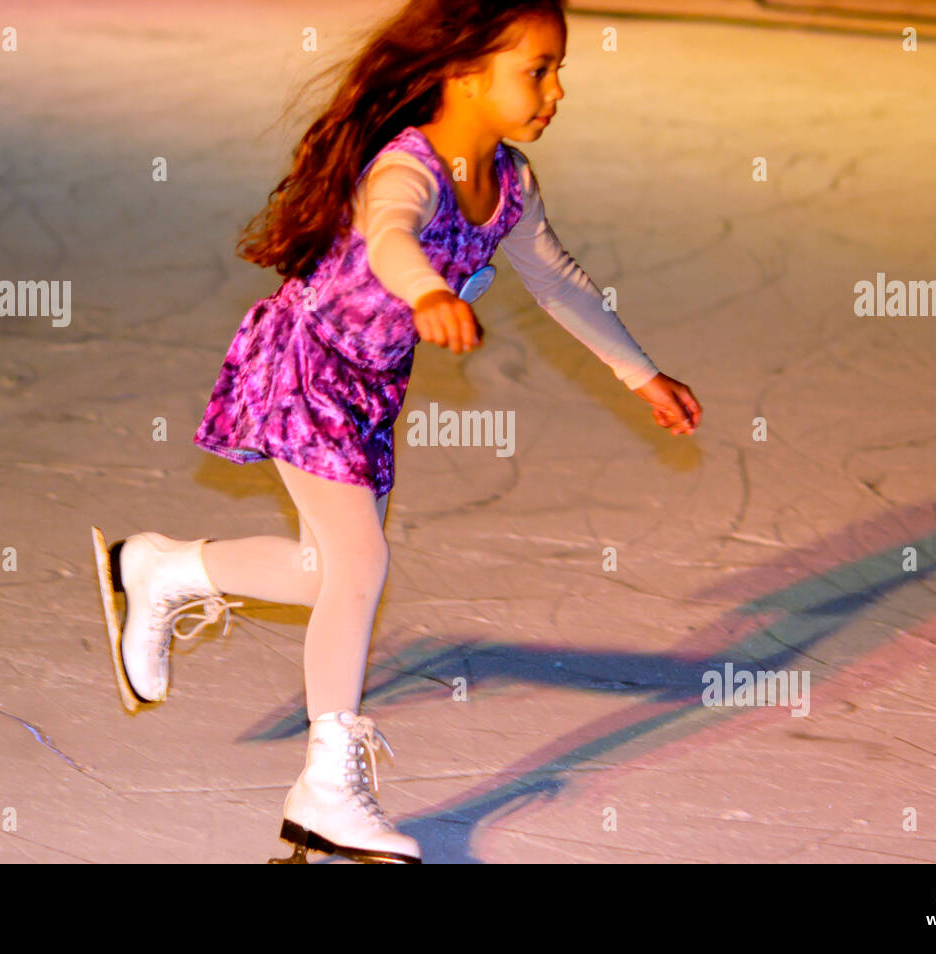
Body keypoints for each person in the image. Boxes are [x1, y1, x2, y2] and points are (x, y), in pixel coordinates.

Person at [90, 0, 701, 865]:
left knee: (322, 571)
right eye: (537, 68)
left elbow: (558, 282)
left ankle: (162, 568)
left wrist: (638, 370)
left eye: (559, 68)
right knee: (363, 564)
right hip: (308, 363)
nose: (556, 89)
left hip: (371, 391)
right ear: (463, 68)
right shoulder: (408, 165)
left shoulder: (510, 185)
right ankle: (326, 788)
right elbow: (388, 237)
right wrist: (425, 292)